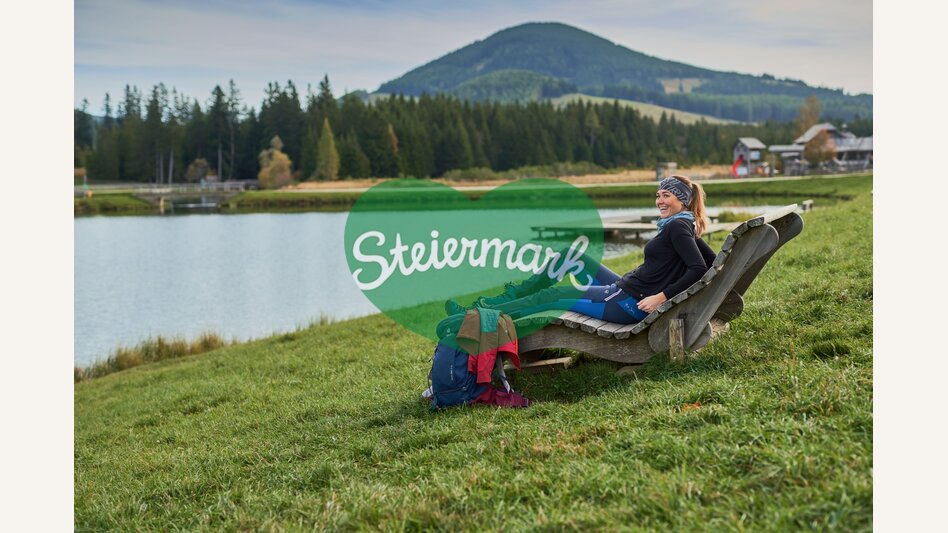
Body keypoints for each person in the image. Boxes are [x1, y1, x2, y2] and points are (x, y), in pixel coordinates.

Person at [445, 175, 717, 324]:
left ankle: (483, 316)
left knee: (551, 296)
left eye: (666, 195)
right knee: (570, 255)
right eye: (658, 195)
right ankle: (504, 299)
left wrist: (661, 296)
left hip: (626, 304)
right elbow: (714, 262)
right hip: (625, 290)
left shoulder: (677, 227)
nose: (659, 201)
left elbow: (698, 269)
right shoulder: (684, 225)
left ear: (682, 200)